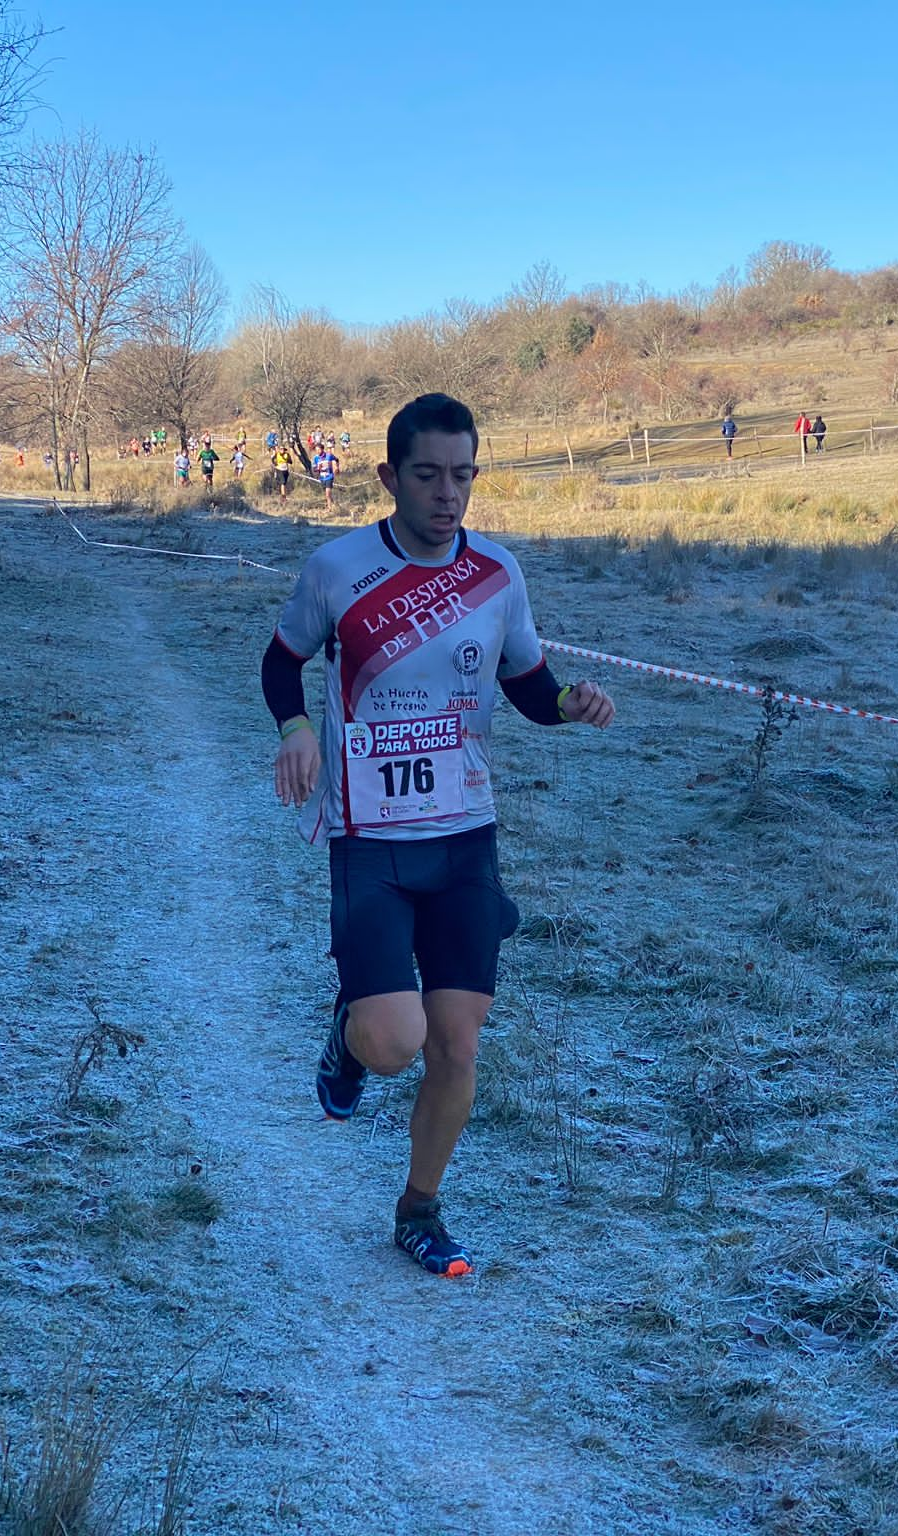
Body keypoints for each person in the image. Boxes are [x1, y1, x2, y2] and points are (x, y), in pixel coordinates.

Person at [264, 393, 616, 1277]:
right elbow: (281, 660)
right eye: (428, 475)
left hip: (465, 834)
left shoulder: (497, 574)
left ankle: (419, 1210)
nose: (448, 494)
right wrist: (297, 728)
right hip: (369, 835)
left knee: (457, 1041)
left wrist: (570, 705)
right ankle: (349, 1035)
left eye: (463, 475)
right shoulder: (337, 569)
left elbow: (530, 685)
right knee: (395, 1041)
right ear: (388, 477)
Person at [313, 443, 339, 509]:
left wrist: (336, 467)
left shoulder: (329, 455)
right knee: (327, 494)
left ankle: (329, 508)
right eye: (316, 450)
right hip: (322, 478)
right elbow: (314, 469)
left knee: (327, 494)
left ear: (322, 449)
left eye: (319, 449)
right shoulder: (316, 458)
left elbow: (336, 459)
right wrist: (317, 469)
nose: (317, 451)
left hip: (329, 476)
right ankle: (333, 503)